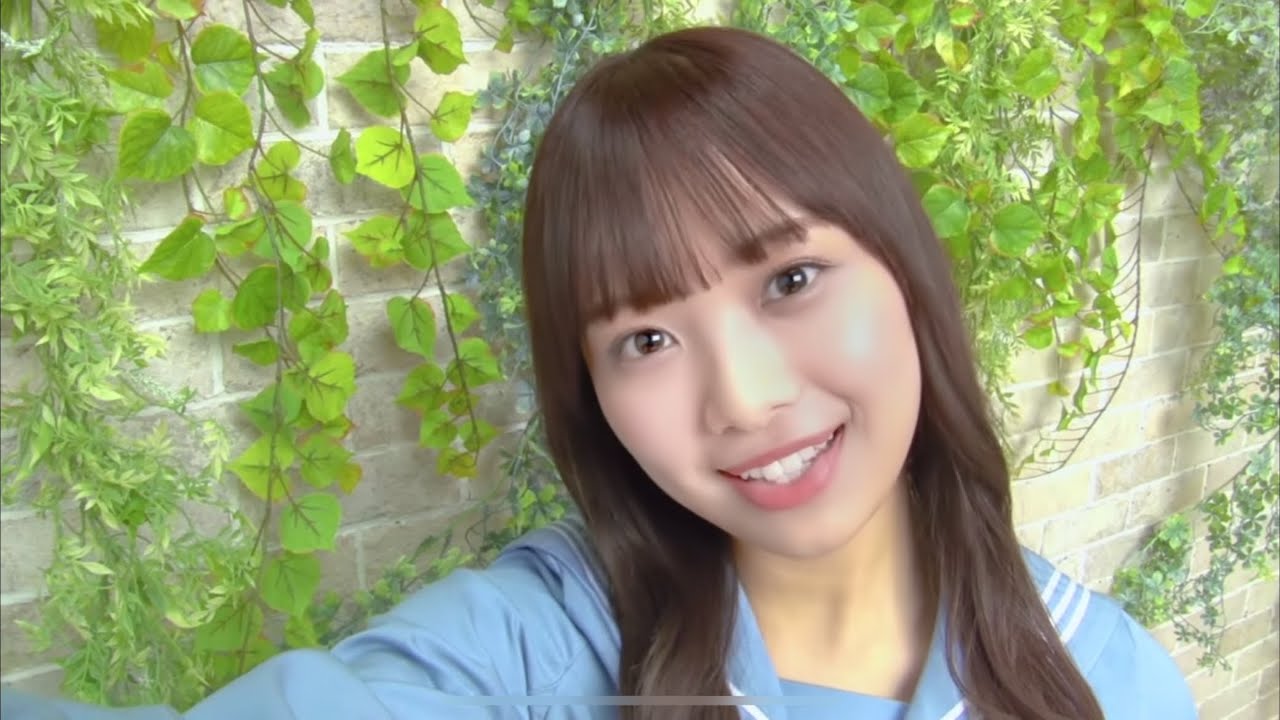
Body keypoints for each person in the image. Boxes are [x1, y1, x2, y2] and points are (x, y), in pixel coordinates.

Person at [1, 25, 1197, 720]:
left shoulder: (1112, 683)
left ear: (905, 272)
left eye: (788, 279)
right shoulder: (547, 649)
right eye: (644, 340)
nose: (743, 398)